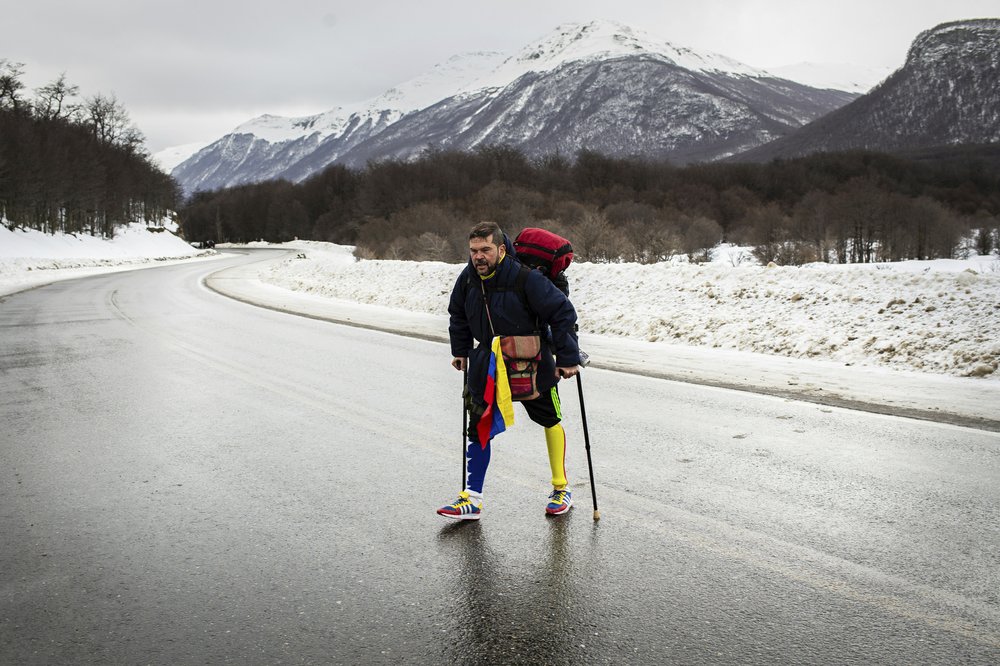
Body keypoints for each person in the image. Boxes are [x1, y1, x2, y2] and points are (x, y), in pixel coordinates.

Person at [438, 221, 582, 520]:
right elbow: (458, 312)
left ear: (501, 249)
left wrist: (567, 357)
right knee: (478, 427)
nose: (479, 256)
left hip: (531, 363)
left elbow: (562, 312)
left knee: (550, 419)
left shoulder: (525, 278)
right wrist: (460, 350)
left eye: (486, 250)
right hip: (487, 364)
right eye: (474, 250)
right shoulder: (467, 279)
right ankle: (472, 499)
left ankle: (561, 488)